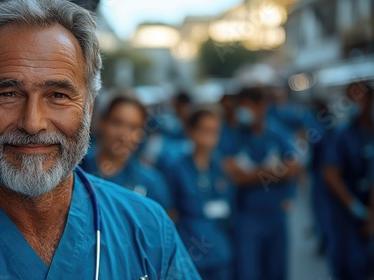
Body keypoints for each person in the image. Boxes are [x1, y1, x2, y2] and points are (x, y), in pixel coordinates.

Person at [0, 0, 200, 279]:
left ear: (88, 108)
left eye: (58, 95)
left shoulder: (148, 229)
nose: (33, 123)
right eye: (8, 94)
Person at [223, 87, 301, 280]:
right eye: (241, 107)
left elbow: (294, 168)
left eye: (249, 106)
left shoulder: (278, 133)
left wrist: (252, 172)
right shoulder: (234, 136)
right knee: (248, 272)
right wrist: (273, 171)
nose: (244, 112)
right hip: (246, 218)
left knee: (276, 271)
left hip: (275, 217)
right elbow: (233, 175)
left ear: (262, 107)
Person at [164, 108, 233, 279]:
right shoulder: (176, 168)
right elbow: (170, 212)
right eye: (204, 130)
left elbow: (229, 206)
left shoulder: (220, 166)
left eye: (214, 131)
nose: (210, 137)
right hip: (190, 253)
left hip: (220, 251)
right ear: (190, 131)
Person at [80, 95, 173, 210]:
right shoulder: (75, 169)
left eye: (133, 127)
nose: (124, 134)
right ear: (101, 123)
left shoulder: (151, 183)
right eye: (117, 123)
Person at [323, 81, 374, 280]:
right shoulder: (342, 135)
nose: (353, 102)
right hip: (348, 214)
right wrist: (356, 208)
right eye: (349, 97)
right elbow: (330, 174)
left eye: (358, 96)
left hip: (367, 209)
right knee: (351, 266)